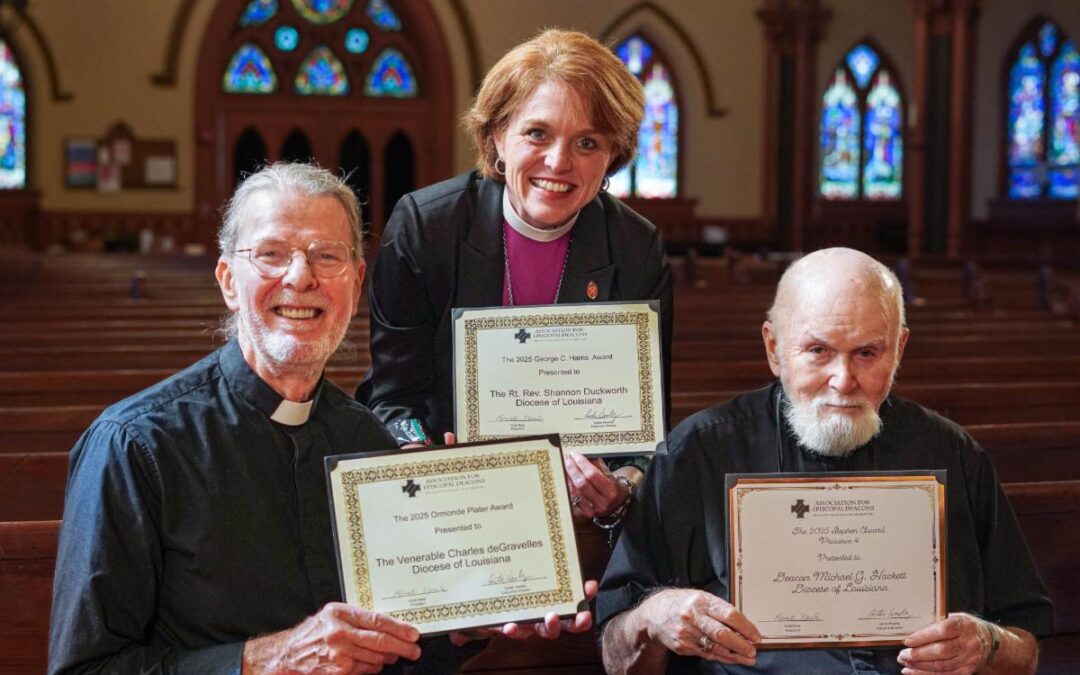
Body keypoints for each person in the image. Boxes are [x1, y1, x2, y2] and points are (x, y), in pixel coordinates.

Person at [49, 163, 580, 675]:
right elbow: (85, 668)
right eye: (271, 254)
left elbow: (398, 653)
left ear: (354, 283)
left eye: (327, 256)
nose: (301, 277)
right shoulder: (135, 446)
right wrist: (262, 662)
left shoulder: (367, 439)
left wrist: (464, 623)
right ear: (229, 281)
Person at [597, 248, 1053, 674]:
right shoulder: (697, 453)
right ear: (774, 348)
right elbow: (616, 653)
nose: (843, 380)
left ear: (899, 349)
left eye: (867, 353)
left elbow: (1026, 646)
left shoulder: (953, 454)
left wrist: (989, 644)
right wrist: (651, 618)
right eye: (818, 351)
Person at [358, 28, 672, 525]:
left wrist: (623, 486)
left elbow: (645, 437)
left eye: (587, 142)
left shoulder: (635, 246)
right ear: (497, 138)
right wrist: (420, 455)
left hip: (576, 515)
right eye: (537, 133)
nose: (558, 162)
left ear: (612, 156)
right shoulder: (427, 226)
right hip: (449, 505)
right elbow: (393, 398)